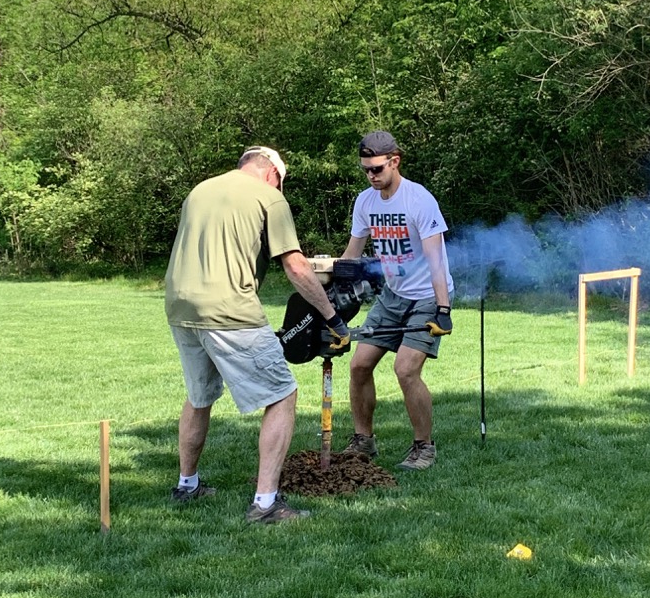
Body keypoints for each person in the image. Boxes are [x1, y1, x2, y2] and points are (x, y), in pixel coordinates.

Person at [164, 145, 350, 523]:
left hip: (180, 306)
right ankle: (266, 504)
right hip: (230, 308)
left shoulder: (201, 190)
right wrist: (332, 317)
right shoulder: (270, 197)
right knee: (282, 393)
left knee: (199, 396)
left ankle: (187, 485)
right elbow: (296, 267)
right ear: (273, 174)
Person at [339, 131, 454, 470]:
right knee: (359, 365)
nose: (371, 176)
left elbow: (436, 261)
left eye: (376, 169)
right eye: (365, 170)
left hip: (427, 298)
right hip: (392, 296)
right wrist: (331, 295)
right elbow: (353, 254)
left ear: (394, 161)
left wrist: (443, 310)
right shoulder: (365, 202)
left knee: (405, 370)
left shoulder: (419, 200)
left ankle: (424, 447)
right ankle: (363, 441)